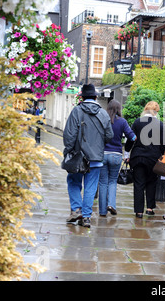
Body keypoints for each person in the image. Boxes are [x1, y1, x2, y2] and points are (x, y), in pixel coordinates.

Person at [63, 83, 114, 228]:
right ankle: (86, 217)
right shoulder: (103, 113)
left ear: (81, 97)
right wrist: (98, 144)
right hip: (96, 158)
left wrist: (68, 151)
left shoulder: (77, 111)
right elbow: (109, 135)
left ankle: (77, 209)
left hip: (78, 157)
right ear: (96, 96)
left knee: (73, 182)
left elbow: (69, 135)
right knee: (91, 187)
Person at [125, 101, 165, 218]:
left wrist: (126, 153)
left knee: (138, 183)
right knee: (151, 182)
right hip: (153, 157)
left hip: (138, 156)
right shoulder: (159, 124)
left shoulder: (138, 122)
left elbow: (130, 138)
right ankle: (149, 208)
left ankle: (139, 211)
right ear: (156, 111)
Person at [98, 99, 136, 217]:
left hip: (103, 154)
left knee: (103, 182)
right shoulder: (123, 122)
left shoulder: (102, 120)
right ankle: (112, 205)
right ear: (119, 109)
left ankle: (103, 211)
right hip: (116, 155)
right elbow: (133, 137)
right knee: (113, 181)